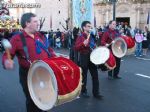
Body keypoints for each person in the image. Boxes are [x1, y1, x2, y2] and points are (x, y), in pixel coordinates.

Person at [2, 13, 56, 112]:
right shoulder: (17, 39)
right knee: (33, 101)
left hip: (44, 72)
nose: (38, 23)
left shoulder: (41, 36)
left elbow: (49, 49)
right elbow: (7, 55)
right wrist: (7, 61)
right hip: (28, 74)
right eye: (35, 21)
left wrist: (55, 58)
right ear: (27, 23)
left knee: (45, 98)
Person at [74, 21, 103, 99]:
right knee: (84, 75)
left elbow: (93, 45)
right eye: (88, 26)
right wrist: (83, 44)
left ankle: (96, 93)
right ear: (84, 27)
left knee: (95, 75)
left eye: (90, 26)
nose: (90, 28)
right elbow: (76, 48)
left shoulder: (91, 36)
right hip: (84, 57)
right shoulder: (80, 37)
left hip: (92, 57)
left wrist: (96, 48)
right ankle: (83, 91)